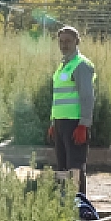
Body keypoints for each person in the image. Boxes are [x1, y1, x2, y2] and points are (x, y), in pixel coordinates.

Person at [47, 25, 95, 195]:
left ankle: (79, 204)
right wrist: (54, 122)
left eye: (68, 41)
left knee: (75, 166)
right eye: (61, 41)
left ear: (77, 42)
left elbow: (87, 97)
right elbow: (58, 98)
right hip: (61, 124)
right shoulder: (63, 66)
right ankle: (64, 203)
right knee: (62, 167)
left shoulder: (81, 65)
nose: (64, 44)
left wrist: (84, 125)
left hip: (75, 124)